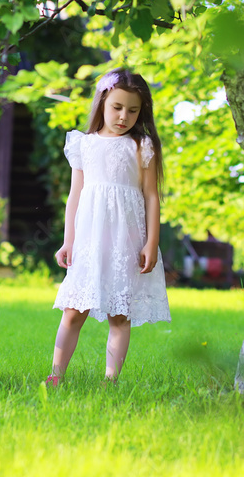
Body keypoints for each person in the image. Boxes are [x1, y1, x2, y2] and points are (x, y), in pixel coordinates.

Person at [46, 68, 171, 385]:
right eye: (117, 107)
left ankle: (110, 380)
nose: (124, 116)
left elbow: (152, 196)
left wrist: (151, 243)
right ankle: (56, 374)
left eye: (133, 110)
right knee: (74, 310)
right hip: (90, 239)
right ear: (102, 103)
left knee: (119, 314)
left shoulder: (142, 145)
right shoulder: (83, 144)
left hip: (125, 241)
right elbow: (75, 196)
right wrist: (68, 241)